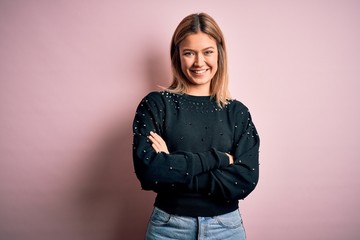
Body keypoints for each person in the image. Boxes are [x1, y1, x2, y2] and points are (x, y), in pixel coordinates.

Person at [132, 12, 260, 240]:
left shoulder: (237, 112)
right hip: (168, 228)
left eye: (207, 52)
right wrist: (220, 159)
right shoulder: (156, 105)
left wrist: (172, 168)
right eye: (189, 53)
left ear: (219, 54)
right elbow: (149, 172)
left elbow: (244, 181)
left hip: (226, 229)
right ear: (178, 56)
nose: (199, 62)